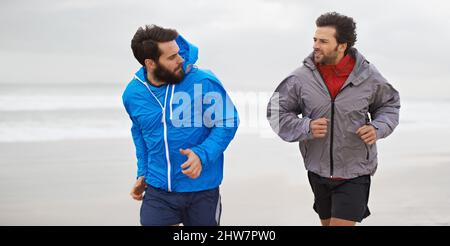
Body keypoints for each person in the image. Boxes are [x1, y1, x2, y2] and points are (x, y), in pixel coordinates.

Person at [267, 12, 400, 226]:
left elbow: (389, 105)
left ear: (341, 46)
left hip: (355, 172)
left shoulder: (368, 76)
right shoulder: (300, 78)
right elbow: (275, 112)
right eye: (315, 39)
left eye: (323, 41)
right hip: (317, 171)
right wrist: (306, 126)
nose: (316, 46)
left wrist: (377, 127)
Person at [122, 25, 239, 226]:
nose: (181, 60)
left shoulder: (203, 81)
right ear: (150, 63)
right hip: (158, 191)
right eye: (171, 57)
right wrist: (143, 172)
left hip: (202, 190)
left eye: (178, 53)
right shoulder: (132, 94)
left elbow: (228, 121)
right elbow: (140, 133)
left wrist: (202, 154)